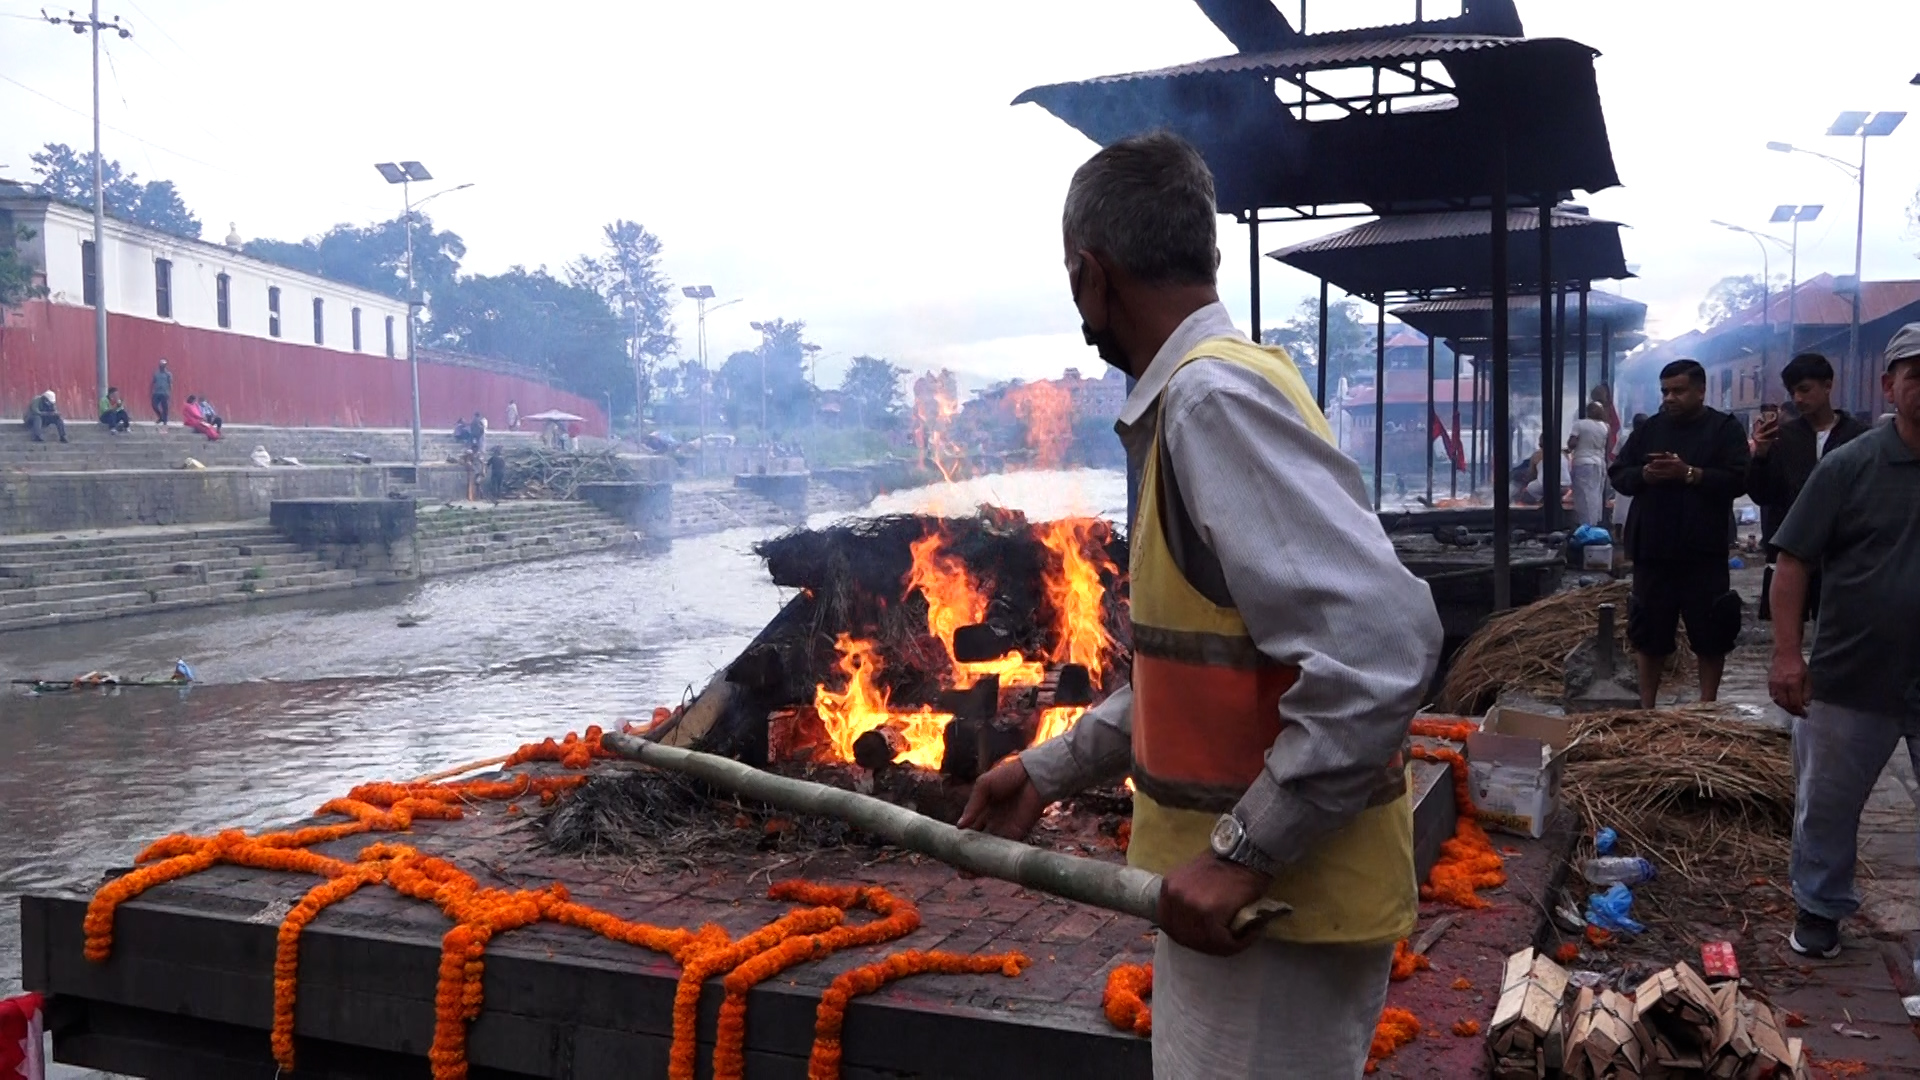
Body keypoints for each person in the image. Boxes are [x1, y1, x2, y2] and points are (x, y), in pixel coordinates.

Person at [958, 132, 1442, 1079]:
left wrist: (1242, 853)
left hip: (1272, 921)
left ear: (1094, 276)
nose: (1081, 312)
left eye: (1073, 283)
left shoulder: (1210, 402)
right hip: (1252, 914)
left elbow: (1384, 646)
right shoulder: (1224, 387)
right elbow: (1204, 673)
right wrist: (1048, 769)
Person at [1768, 323, 1920, 960]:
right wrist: (1785, 654)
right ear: (1890, 386)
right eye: (1918, 376)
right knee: (1827, 803)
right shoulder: (1851, 465)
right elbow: (1792, 562)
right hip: (1854, 671)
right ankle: (1821, 912)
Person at [1608, 360, 1750, 708]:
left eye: (1678, 391)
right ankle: (1646, 708)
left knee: (1711, 630)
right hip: (1653, 549)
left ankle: (1707, 706)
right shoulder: (1650, 429)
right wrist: (1645, 475)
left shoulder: (1723, 429)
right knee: (1648, 632)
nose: (1670, 398)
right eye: (1665, 391)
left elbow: (1739, 479)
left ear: (1701, 390)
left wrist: (1690, 474)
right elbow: (1619, 474)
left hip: (1703, 549)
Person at [1747, 353, 1869, 622]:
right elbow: (1765, 495)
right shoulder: (1785, 437)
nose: (1798, 398)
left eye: (1805, 389)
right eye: (1793, 392)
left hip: (1844, 551)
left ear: (1827, 386)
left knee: (1841, 628)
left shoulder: (1859, 436)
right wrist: (1762, 456)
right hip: (1794, 548)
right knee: (1788, 631)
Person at [1569, 401, 1611, 526]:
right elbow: (1607, 447)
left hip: (1583, 462)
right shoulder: (1605, 427)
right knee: (1595, 495)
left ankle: (1587, 526)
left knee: (1584, 496)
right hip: (1599, 463)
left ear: (1588, 411)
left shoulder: (1579, 425)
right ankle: (1594, 523)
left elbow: (1572, 443)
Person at [151, 359, 173, 426]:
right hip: (156, 392)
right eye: (161, 365)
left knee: (165, 407)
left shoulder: (168, 374)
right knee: (154, 405)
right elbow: (153, 383)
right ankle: (160, 417)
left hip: (165, 393)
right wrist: (151, 391)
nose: (162, 366)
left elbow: (170, 384)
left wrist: (170, 393)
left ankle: (165, 420)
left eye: (163, 365)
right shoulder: (156, 374)